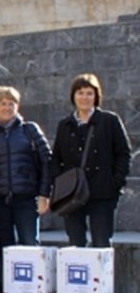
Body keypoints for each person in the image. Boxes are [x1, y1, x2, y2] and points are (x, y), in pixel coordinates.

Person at [50, 73, 132, 248]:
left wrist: (116, 181)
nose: (84, 97)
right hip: (72, 193)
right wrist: (59, 182)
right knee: (76, 243)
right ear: (73, 96)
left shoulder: (109, 121)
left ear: (96, 96)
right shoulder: (65, 125)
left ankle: (102, 277)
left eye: (89, 93)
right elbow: (55, 157)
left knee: (101, 243)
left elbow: (123, 153)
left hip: (102, 192)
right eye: (80, 93)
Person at [0, 86, 51, 247]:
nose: (7, 108)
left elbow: (46, 160)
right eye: (3, 103)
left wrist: (44, 194)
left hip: (26, 196)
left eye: (11, 103)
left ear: (17, 106)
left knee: (30, 243)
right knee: (5, 247)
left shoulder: (30, 130)